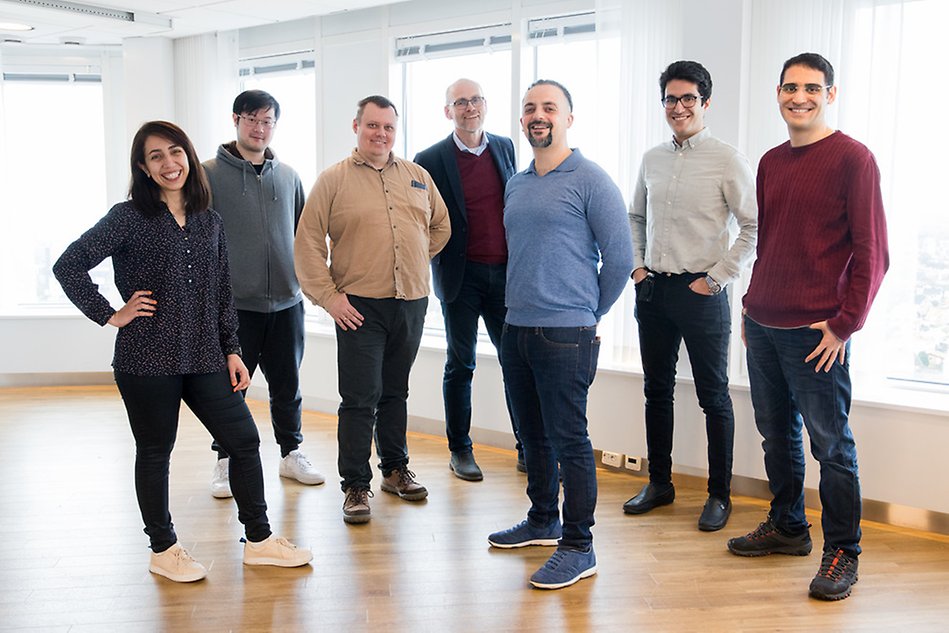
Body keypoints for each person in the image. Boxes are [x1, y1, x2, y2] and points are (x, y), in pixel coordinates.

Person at [52, 120, 313, 583]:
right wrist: (111, 313)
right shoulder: (127, 216)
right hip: (146, 357)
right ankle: (164, 548)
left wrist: (232, 349)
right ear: (143, 167)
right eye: (156, 157)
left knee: (244, 441)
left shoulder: (208, 219)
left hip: (205, 355)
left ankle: (259, 540)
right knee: (156, 452)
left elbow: (220, 290)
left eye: (176, 152)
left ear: (188, 157)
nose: (169, 164)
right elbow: (69, 264)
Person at [728, 53, 888, 602]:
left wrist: (845, 326)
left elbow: (873, 254)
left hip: (819, 335)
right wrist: (749, 304)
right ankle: (789, 526)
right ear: (777, 93)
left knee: (832, 447)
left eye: (812, 88)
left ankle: (843, 551)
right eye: (790, 87)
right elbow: (769, 242)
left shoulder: (854, 159)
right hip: (765, 323)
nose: (800, 96)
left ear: (830, 94)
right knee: (777, 436)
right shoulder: (771, 161)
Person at [487, 80, 634, 590]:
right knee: (532, 437)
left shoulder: (591, 179)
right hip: (517, 328)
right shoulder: (518, 181)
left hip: (566, 333)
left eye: (549, 107)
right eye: (529, 108)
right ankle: (543, 520)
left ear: (569, 118)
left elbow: (620, 259)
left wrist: (588, 311)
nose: (538, 115)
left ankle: (579, 545)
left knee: (570, 440)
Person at [294, 96, 450, 524]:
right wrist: (329, 297)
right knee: (360, 398)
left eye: (388, 127)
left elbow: (440, 226)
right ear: (356, 126)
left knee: (395, 392)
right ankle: (356, 486)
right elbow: (307, 242)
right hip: (358, 306)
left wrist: (415, 259)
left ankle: (395, 470)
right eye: (372, 126)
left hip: (411, 302)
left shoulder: (418, 177)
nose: (380, 134)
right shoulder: (333, 181)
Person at [624, 61, 757, 532]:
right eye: (670, 99)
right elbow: (634, 217)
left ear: (705, 103)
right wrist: (637, 268)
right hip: (653, 289)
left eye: (688, 99)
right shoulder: (651, 159)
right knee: (656, 391)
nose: (678, 108)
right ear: (663, 103)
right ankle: (660, 483)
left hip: (702, 293)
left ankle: (719, 495)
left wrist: (717, 278)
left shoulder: (727, 159)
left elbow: (753, 226)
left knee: (713, 397)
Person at [202, 89, 324, 499]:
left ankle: (292, 454)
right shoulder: (207, 175)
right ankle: (225, 460)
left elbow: (303, 237)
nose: (259, 128)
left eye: (267, 121)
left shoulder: (289, 176)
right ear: (235, 120)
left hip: (287, 304)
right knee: (230, 388)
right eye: (252, 119)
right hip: (235, 306)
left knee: (287, 385)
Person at [413, 78, 522, 482]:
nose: (469, 107)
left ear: (485, 104)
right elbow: (419, 219)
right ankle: (460, 449)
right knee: (461, 364)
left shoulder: (505, 147)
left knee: (516, 363)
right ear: (448, 111)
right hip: (460, 276)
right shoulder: (429, 158)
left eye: (475, 99)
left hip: (507, 276)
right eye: (460, 102)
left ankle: (527, 446)